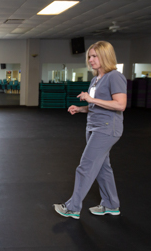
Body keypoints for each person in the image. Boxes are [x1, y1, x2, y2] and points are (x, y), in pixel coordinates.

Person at [53, 41, 127, 219]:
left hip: (107, 128)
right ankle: (111, 204)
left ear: (105, 56)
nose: (91, 60)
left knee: (85, 166)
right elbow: (99, 105)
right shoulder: (95, 80)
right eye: (89, 56)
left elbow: (120, 104)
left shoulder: (114, 76)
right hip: (93, 126)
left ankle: (73, 207)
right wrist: (80, 108)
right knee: (103, 168)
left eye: (95, 56)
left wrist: (91, 100)